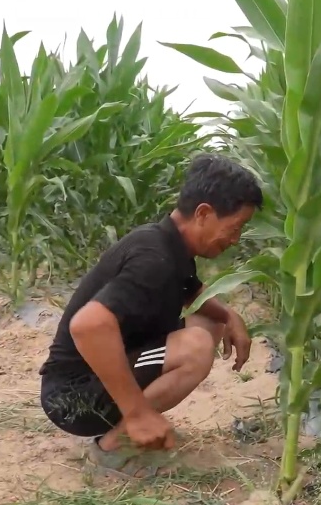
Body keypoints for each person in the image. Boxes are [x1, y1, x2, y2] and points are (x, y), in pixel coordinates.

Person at [38, 153, 264, 476]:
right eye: (234, 227)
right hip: (73, 398)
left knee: (209, 323)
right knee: (197, 347)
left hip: (93, 379)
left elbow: (192, 291)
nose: (235, 239)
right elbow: (88, 326)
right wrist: (137, 413)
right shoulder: (152, 259)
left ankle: (132, 423)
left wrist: (229, 316)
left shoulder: (170, 246)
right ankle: (115, 447)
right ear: (203, 214)